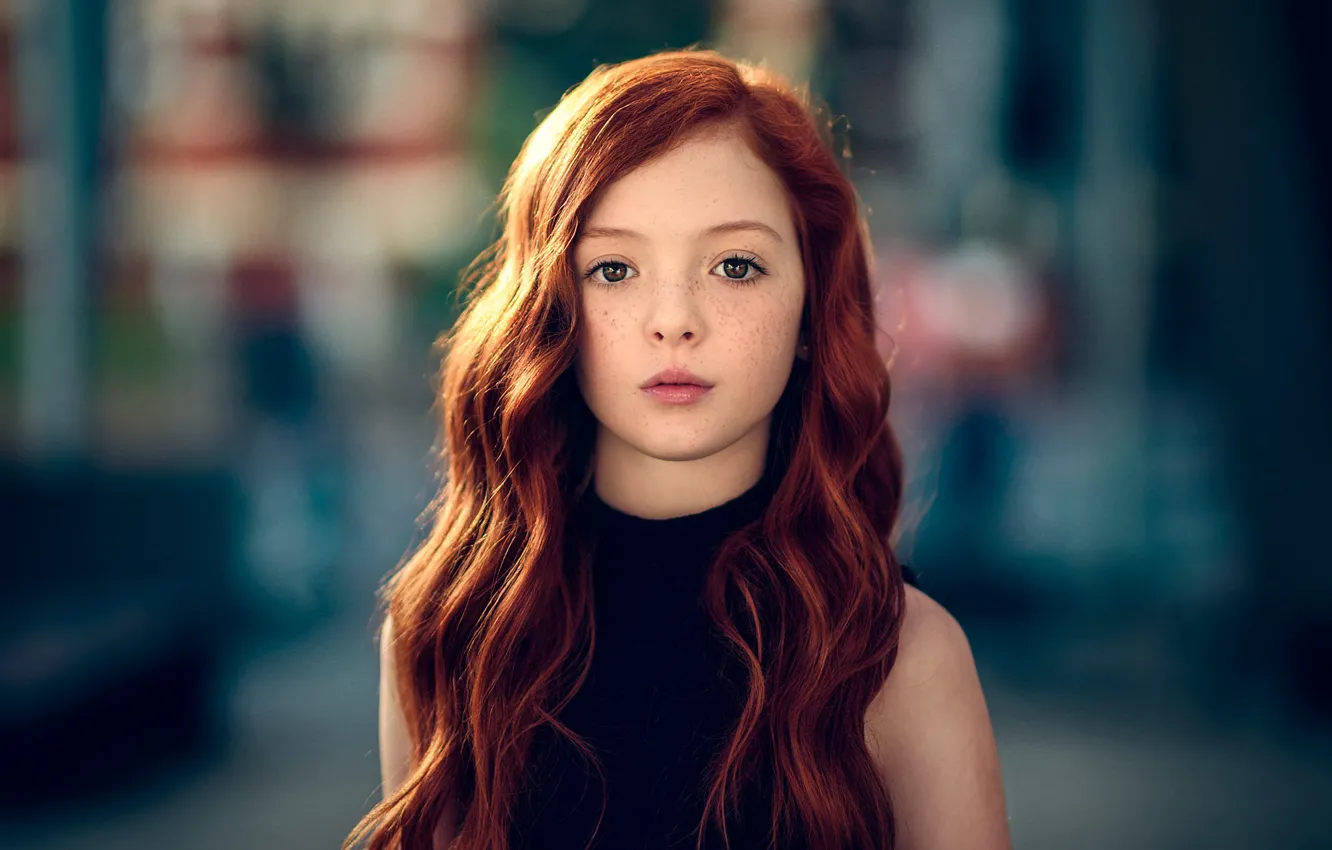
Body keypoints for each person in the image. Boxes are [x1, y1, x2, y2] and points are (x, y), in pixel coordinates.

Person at [346, 49, 1010, 850]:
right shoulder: (447, 637)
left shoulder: (903, 658)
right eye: (615, 268)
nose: (673, 319)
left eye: (735, 265)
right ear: (549, 306)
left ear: (812, 307)